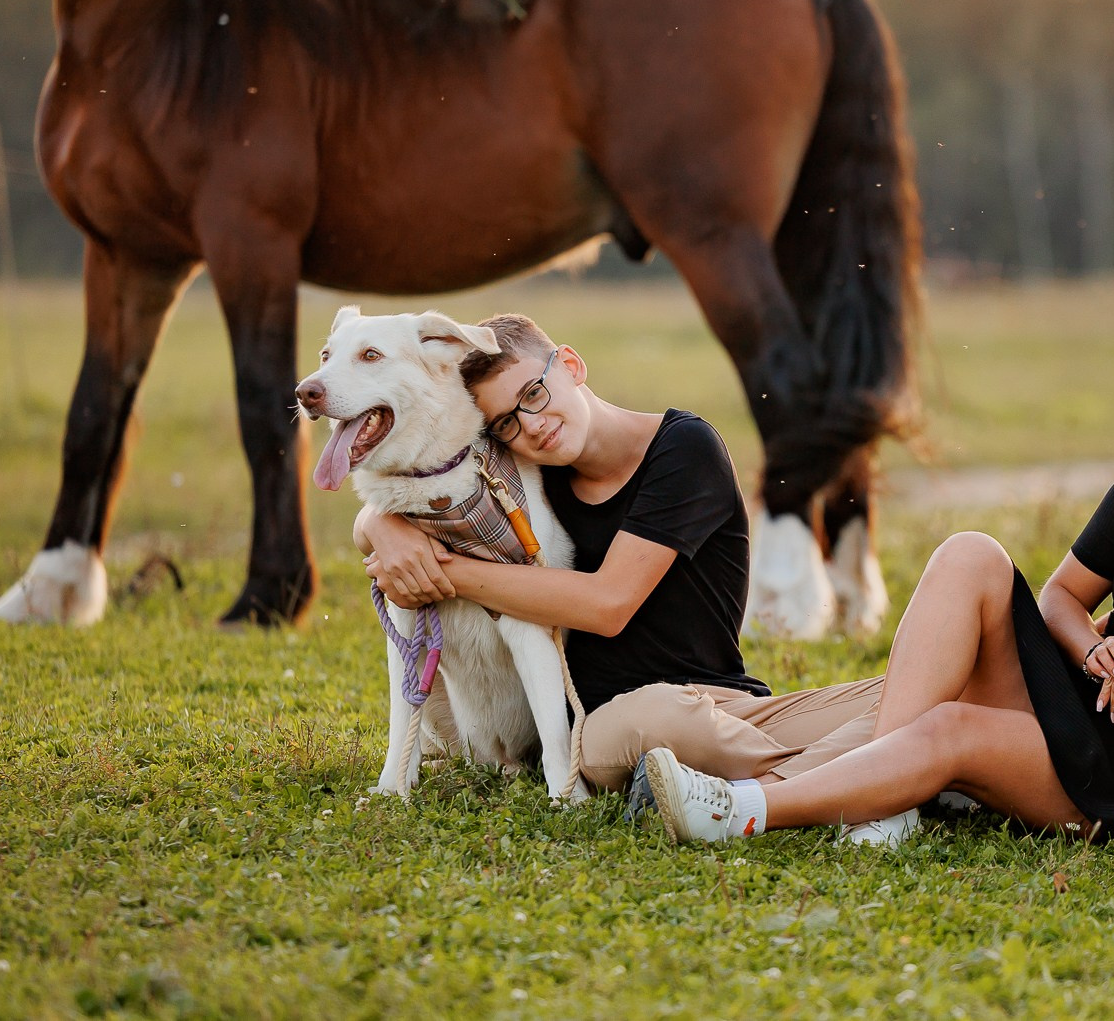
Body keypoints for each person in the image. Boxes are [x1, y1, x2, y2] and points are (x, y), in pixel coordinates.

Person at [633, 333, 1114, 849]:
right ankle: (883, 797)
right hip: (1084, 698)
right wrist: (1096, 649)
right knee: (971, 553)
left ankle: (742, 811)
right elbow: (1059, 599)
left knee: (948, 728)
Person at [358, 313, 880, 794]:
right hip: (602, 727)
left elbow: (608, 605)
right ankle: (859, 778)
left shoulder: (685, 448)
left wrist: (445, 570)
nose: (532, 425)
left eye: (534, 394)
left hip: (720, 704)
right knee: (650, 720)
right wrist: (378, 524)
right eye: (506, 424)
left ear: (570, 365)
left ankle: (861, 767)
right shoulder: (532, 475)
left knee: (900, 698)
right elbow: (432, 489)